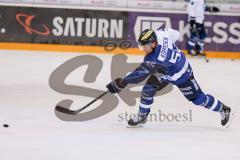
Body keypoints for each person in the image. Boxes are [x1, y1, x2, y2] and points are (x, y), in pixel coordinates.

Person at [106, 28, 234, 128]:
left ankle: (224, 109)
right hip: (164, 71)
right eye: (141, 47)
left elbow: (140, 74)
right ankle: (142, 116)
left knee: (198, 99)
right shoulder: (161, 33)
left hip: (181, 74)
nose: (143, 50)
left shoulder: (155, 58)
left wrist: (122, 82)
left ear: (154, 43)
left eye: (144, 47)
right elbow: (176, 34)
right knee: (147, 90)